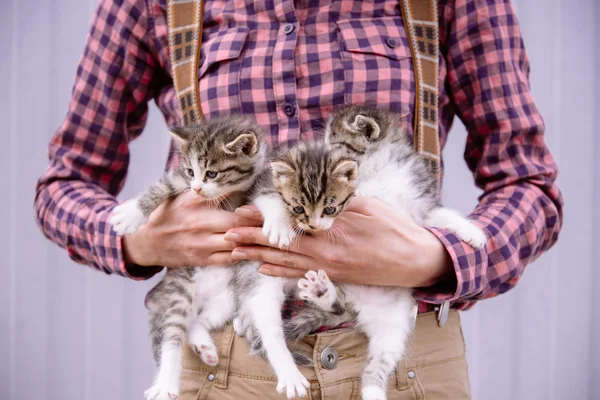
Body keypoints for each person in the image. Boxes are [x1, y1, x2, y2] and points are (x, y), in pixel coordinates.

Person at [34, 0, 564, 399]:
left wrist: (437, 258)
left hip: (402, 359)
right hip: (227, 364)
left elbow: (531, 187)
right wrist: (141, 241)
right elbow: (64, 186)